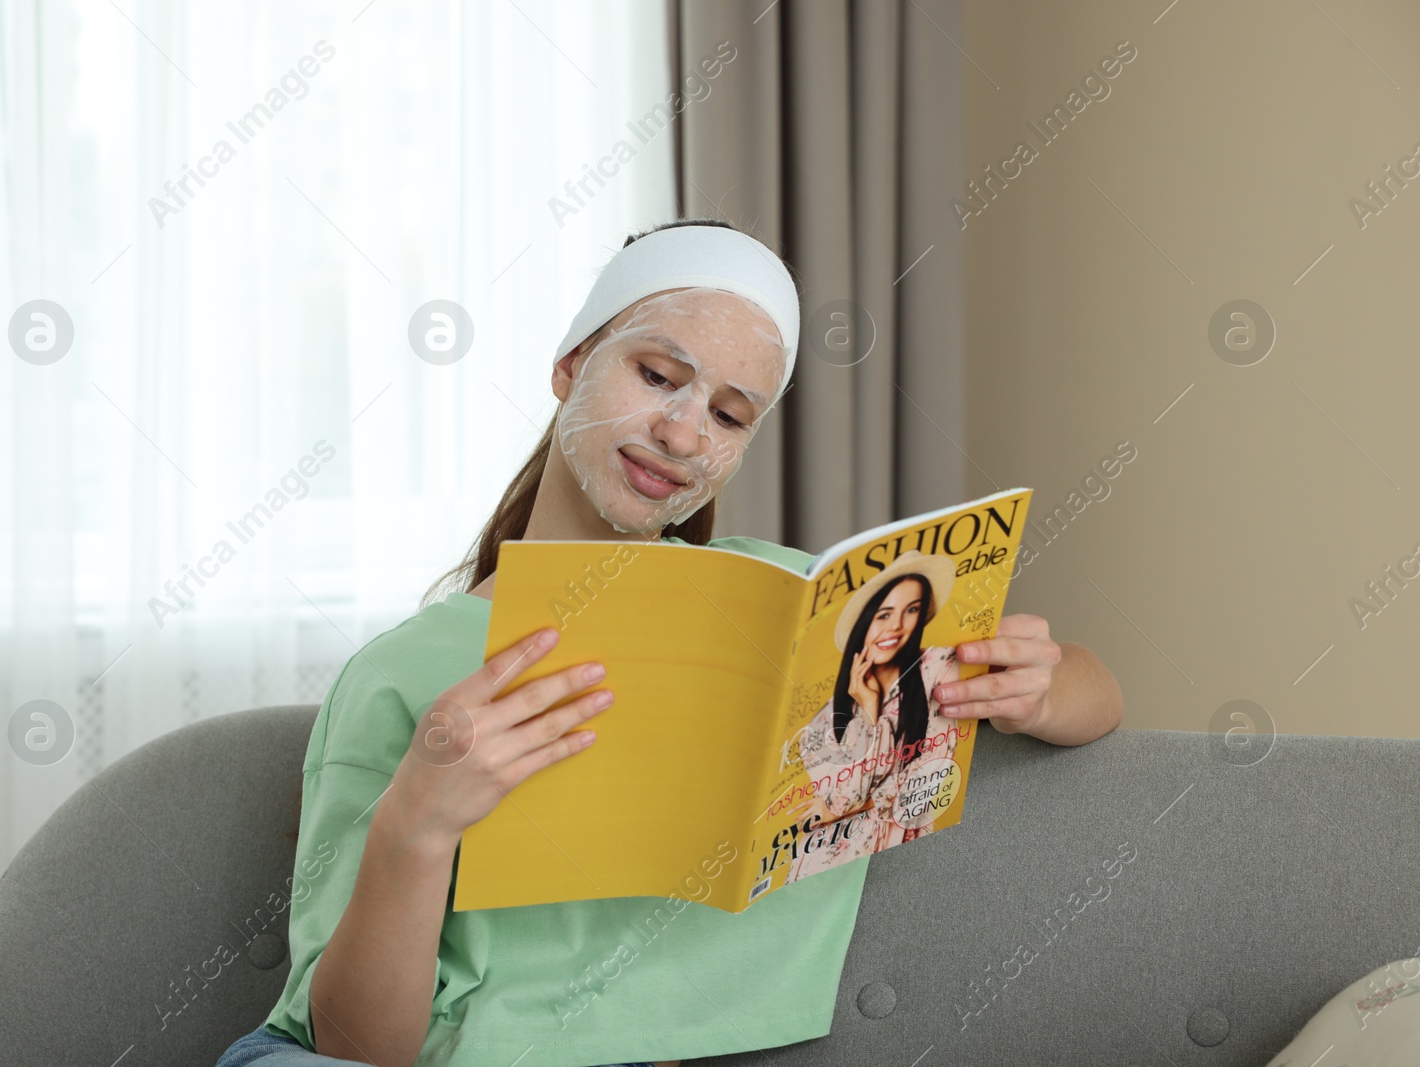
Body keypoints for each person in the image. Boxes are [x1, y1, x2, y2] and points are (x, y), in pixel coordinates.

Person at [214, 219, 1125, 1067]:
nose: (684, 431)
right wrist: (418, 824)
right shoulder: (405, 671)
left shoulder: (804, 606)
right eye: (657, 375)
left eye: (730, 416)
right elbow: (350, 1046)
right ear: (571, 365)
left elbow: (1096, 695)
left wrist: (1041, 690)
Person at [786, 554, 964, 883]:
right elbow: (845, 798)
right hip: (818, 872)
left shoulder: (940, 667)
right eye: (883, 615)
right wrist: (869, 708)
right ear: (863, 625)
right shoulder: (828, 717)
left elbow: (926, 781)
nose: (896, 626)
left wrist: (849, 807)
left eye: (911, 610)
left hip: (897, 862)